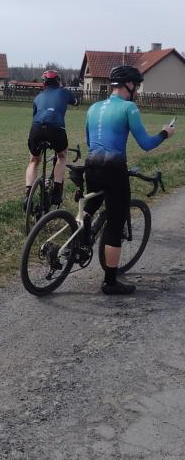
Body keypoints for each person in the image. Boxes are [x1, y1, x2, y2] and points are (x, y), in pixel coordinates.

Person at [84, 64, 175, 296]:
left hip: (91, 165)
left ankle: (81, 239)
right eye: (137, 85)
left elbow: (89, 141)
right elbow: (145, 144)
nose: (137, 89)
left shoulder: (93, 107)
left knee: (91, 205)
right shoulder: (129, 107)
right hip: (114, 169)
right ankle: (110, 282)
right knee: (116, 224)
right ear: (129, 85)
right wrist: (165, 133)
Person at [24, 70, 78, 211]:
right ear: (58, 82)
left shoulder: (38, 97)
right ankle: (57, 192)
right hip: (56, 128)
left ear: (44, 83)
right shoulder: (64, 92)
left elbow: (35, 116)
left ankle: (27, 195)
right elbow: (76, 102)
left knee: (34, 161)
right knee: (62, 156)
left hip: (37, 128)